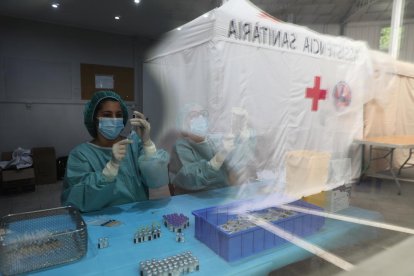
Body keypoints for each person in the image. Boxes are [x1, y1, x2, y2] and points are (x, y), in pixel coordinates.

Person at [61, 91, 169, 212]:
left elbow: (157, 180)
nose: (114, 119)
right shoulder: (81, 154)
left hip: (138, 214)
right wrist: (110, 169)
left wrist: (147, 143)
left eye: (118, 115)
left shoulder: (133, 145)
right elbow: (76, 199)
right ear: (94, 119)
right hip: (99, 219)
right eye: (107, 115)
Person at [169, 104, 233, 194]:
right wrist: (218, 159)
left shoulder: (213, 141)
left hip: (221, 196)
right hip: (193, 200)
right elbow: (190, 178)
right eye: (193, 115)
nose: (200, 118)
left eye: (203, 114)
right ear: (183, 123)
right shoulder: (181, 146)